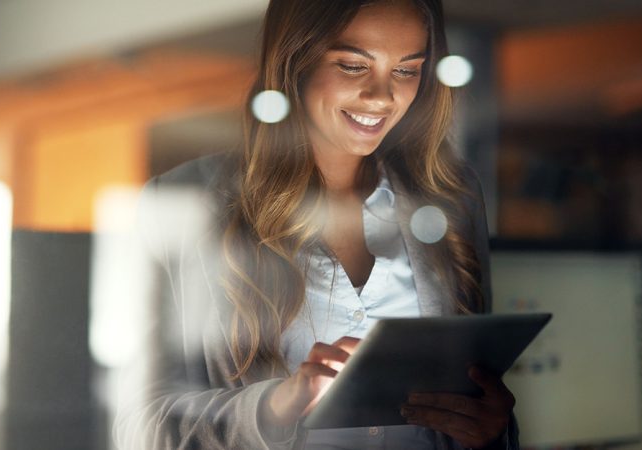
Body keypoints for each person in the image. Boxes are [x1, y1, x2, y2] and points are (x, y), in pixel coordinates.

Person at [117, 0, 518, 448]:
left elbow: (478, 394)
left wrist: (492, 428)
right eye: (352, 66)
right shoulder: (188, 201)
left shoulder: (452, 198)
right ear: (294, 62)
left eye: (406, 71)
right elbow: (138, 424)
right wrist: (276, 406)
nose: (382, 96)